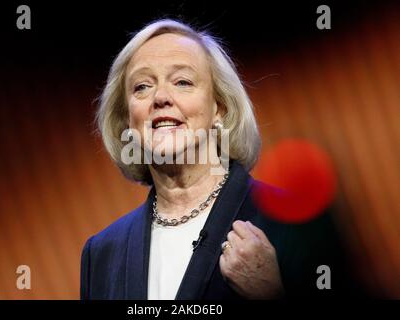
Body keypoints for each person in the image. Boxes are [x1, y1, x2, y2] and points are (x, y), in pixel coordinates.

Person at [80, 19, 353, 300]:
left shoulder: (290, 221)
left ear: (219, 108)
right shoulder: (101, 254)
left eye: (182, 82)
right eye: (142, 87)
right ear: (127, 120)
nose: (160, 97)